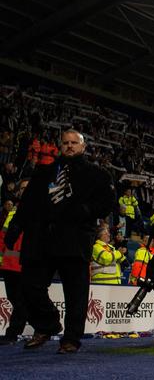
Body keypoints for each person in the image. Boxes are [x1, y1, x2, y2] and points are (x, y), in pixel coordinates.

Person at [4, 129, 114, 354]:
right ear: (60, 146)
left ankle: (71, 339)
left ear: (83, 147)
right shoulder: (43, 172)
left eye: (74, 142)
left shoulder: (97, 174)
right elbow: (28, 203)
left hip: (75, 239)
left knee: (76, 293)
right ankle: (47, 325)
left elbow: (107, 203)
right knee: (30, 285)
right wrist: (16, 226)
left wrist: (86, 210)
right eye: (65, 142)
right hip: (41, 238)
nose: (70, 146)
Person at [0, 179, 29, 345]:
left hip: (25, 264)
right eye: (22, 188)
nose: (24, 190)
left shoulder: (37, 211)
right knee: (15, 299)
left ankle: (12, 334)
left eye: (27, 188)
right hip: (9, 265)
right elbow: (2, 237)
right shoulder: (12, 212)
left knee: (20, 301)